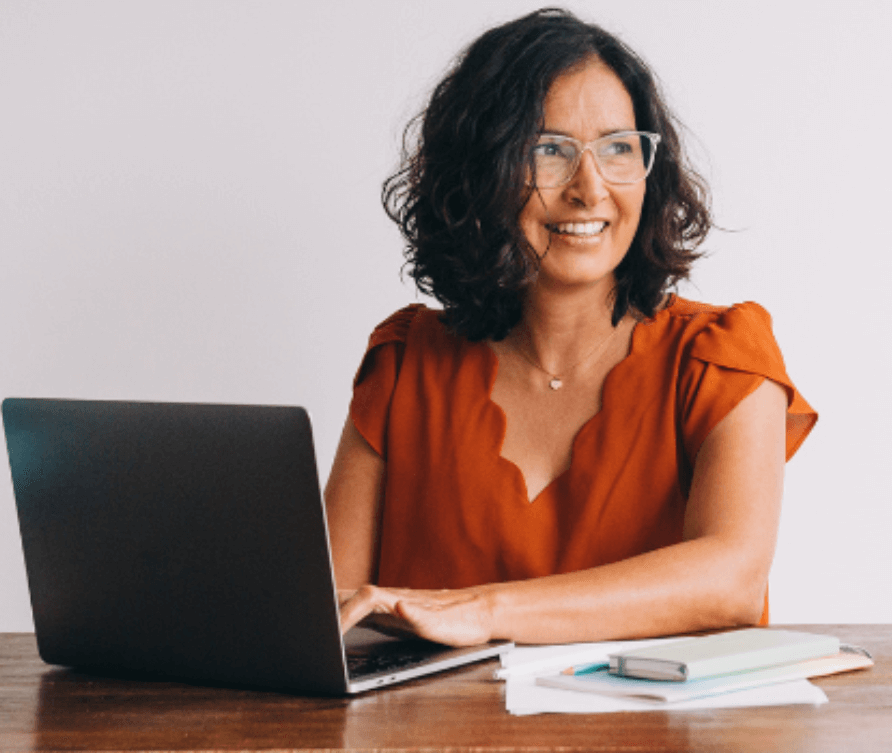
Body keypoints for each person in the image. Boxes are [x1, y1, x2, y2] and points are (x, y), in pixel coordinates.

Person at [326, 8, 816, 647]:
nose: (590, 189)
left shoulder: (720, 358)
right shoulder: (403, 364)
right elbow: (328, 609)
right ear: (481, 173)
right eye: (548, 151)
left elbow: (731, 582)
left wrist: (485, 612)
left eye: (618, 148)